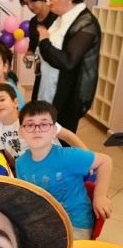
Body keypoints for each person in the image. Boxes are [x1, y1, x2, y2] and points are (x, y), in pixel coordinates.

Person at [16, 100, 113, 240]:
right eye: (30, 125)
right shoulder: (20, 163)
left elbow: (105, 161)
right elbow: (25, 195)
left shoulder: (69, 156)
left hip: (75, 224)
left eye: (44, 124)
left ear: (54, 131)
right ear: (21, 132)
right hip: (44, 221)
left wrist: (100, 196)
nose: (37, 129)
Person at [36, 0, 101, 134]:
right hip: (48, 86)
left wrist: (45, 43)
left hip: (68, 95)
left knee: (60, 139)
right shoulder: (58, 17)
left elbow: (68, 62)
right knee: (42, 134)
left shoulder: (86, 23)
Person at [0, 83, 89, 170]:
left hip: (53, 165)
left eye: (2, 99)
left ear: (15, 103)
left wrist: (88, 158)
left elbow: (68, 136)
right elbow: (7, 151)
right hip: (27, 170)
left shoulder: (33, 119)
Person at [19, 0, 58, 100]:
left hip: (56, 70)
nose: (30, 6)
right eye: (27, 3)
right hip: (41, 70)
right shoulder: (33, 22)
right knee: (37, 102)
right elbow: (33, 44)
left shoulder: (57, 16)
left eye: (32, 0)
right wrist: (30, 53)